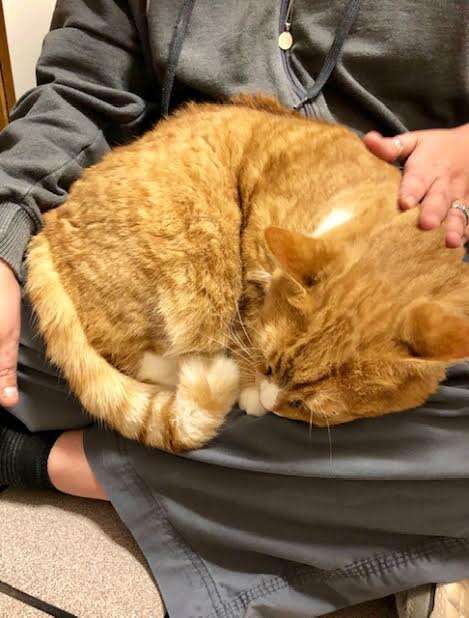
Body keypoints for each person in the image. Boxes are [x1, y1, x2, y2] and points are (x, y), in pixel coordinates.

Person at [1, 1, 469, 616]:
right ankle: (364, 515)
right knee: (33, 335)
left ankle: (65, 462)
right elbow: (81, 89)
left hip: (416, 259)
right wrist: (5, 233)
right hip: (180, 245)